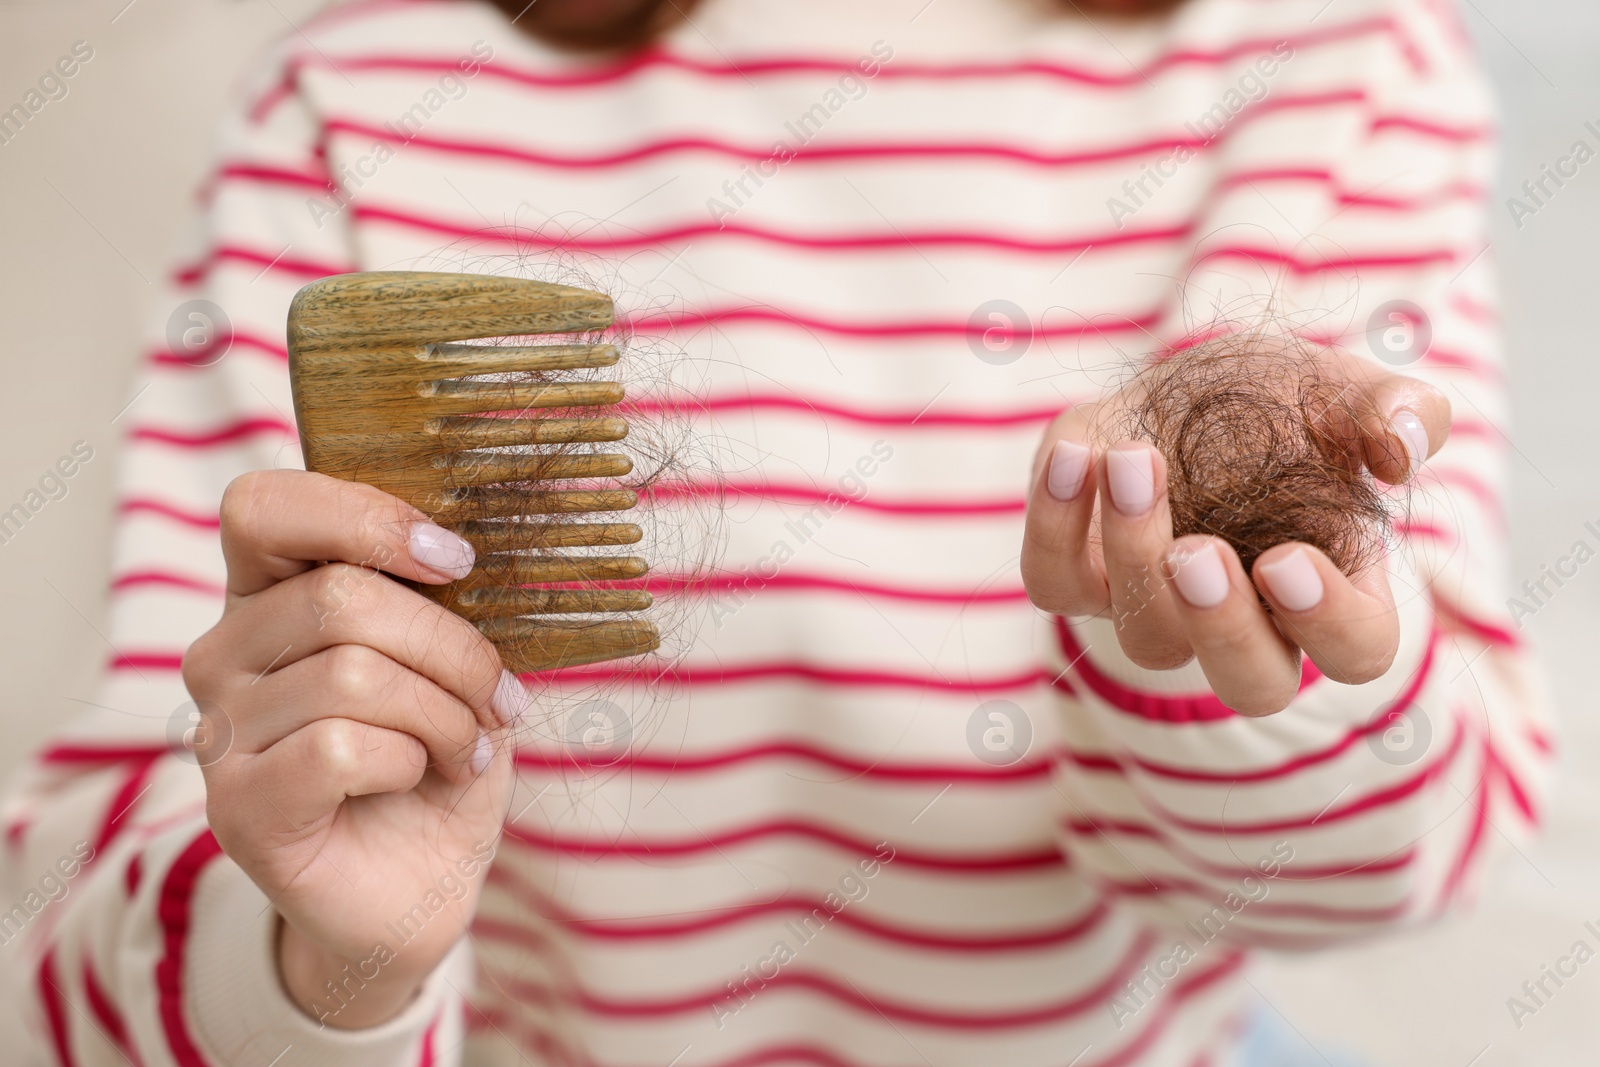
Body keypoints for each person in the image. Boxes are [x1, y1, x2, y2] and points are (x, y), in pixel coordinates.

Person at [1, 0, 1554, 1064]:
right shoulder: (365, 98)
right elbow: (64, 954)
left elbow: (1423, 851)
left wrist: (1226, 675)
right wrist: (329, 959)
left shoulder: (1337, 63)